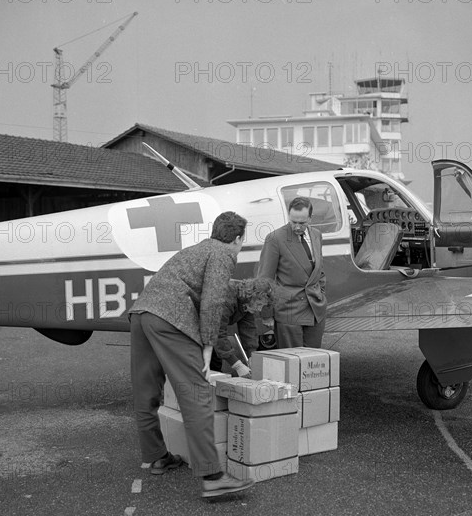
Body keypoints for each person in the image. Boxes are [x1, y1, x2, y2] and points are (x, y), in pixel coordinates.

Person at [129, 211, 255, 499]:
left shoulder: (195, 249)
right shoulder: (223, 253)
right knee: (196, 393)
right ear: (237, 239)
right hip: (171, 319)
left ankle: (158, 456)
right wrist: (208, 348)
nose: (239, 246)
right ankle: (213, 478)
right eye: (241, 242)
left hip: (141, 314)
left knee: (146, 392)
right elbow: (213, 300)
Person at [257, 197, 327, 349]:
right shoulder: (275, 239)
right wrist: (266, 313)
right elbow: (264, 279)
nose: (296, 227)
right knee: (292, 364)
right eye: (293, 222)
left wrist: (321, 293)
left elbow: (319, 270)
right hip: (288, 312)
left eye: (302, 223)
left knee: (313, 363)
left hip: (316, 310)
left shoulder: (316, 235)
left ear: (310, 218)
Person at [210, 277, 276, 378]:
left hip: (210, 329)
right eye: (259, 304)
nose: (259, 309)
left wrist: (251, 356)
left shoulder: (248, 303)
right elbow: (218, 333)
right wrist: (238, 365)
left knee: (216, 366)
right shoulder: (226, 299)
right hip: (195, 327)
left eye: (262, 306)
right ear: (252, 296)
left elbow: (249, 329)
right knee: (206, 365)